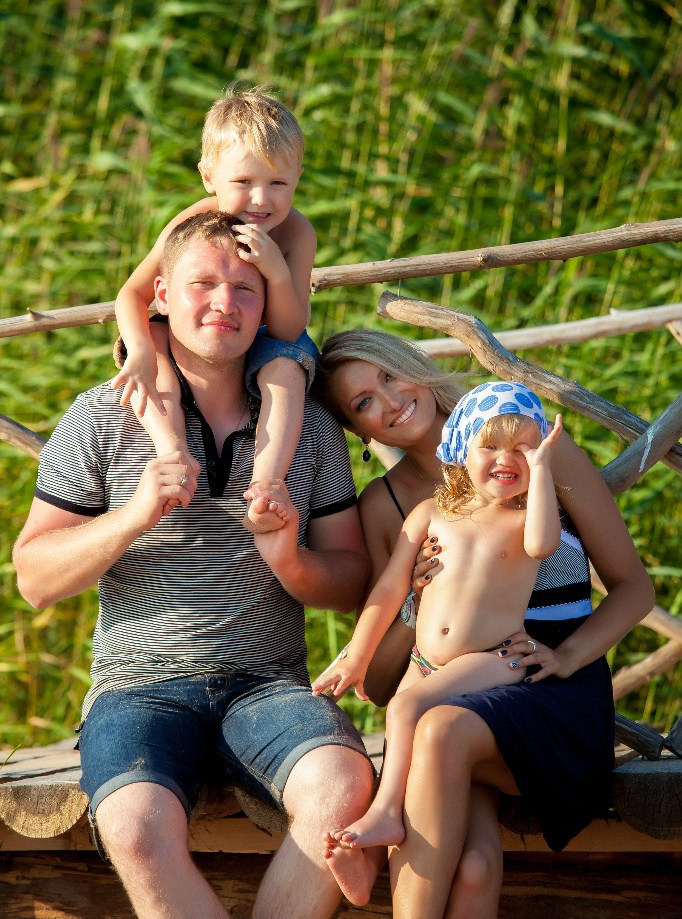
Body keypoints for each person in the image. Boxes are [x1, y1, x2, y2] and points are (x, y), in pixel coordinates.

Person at [12, 212, 379, 919]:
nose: (226, 303)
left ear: (268, 303)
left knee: (340, 785)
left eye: (246, 287)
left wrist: (291, 560)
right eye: (203, 283)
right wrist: (134, 514)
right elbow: (33, 576)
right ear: (159, 294)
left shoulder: (308, 430)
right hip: (137, 688)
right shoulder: (98, 416)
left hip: (268, 685)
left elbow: (352, 578)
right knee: (134, 825)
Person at [316, 329, 654, 919]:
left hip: (544, 677)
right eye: (364, 402)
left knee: (442, 730)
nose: (390, 401)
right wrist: (416, 602)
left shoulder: (535, 448)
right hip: (445, 682)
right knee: (471, 868)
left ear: (416, 367)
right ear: (358, 431)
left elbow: (634, 588)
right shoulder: (392, 508)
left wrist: (569, 656)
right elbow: (382, 681)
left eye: (391, 375)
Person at [312, 382, 563, 900]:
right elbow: (388, 588)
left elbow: (545, 542)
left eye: (523, 447)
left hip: (494, 660)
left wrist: (541, 473)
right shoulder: (429, 514)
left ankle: (383, 816)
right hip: (426, 661)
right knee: (406, 713)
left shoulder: (522, 523)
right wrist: (357, 658)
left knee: (405, 710)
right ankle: (373, 858)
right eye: (490, 446)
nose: (507, 458)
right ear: (460, 451)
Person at [112, 84, 317, 533]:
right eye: (243, 183)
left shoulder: (297, 234)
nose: (261, 200)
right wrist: (141, 351)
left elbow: (287, 328)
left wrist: (276, 271)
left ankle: (266, 484)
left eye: (278, 183)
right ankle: (172, 450)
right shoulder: (194, 220)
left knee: (287, 367)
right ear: (209, 177)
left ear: (298, 176)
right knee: (156, 341)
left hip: (262, 338)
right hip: (192, 334)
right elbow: (132, 294)